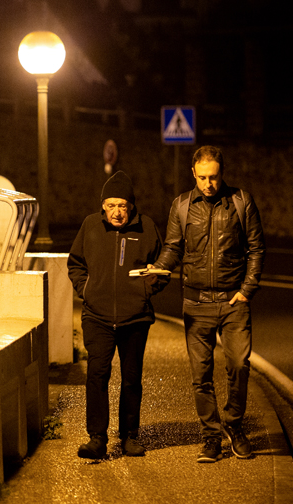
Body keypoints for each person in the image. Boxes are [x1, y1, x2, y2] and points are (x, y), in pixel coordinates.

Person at [151, 145, 265, 463]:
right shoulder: (182, 205)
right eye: (202, 177)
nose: (208, 184)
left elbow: (256, 248)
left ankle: (234, 425)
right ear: (193, 173)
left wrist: (247, 289)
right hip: (196, 302)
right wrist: (159, 268)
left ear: (222, 173)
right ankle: (211, 437)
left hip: (233, 302)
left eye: (213, 177)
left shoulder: (241, 201)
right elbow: (173, 248)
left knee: (239, 365)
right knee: (201, 375)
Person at [67, 171, 169, 459]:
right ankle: (97, 438)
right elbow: (75, 263)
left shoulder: (147, 227)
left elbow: (163, 267)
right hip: (96, 316)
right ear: (103, 206)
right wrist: (86, 290)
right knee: (97, 375)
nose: (117, 212)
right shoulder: (90, 225)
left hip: (135, 317)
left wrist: (148, 288)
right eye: (111, 205)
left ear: (131, 206)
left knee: (131, 378)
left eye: (122, 206)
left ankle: (130, 436)